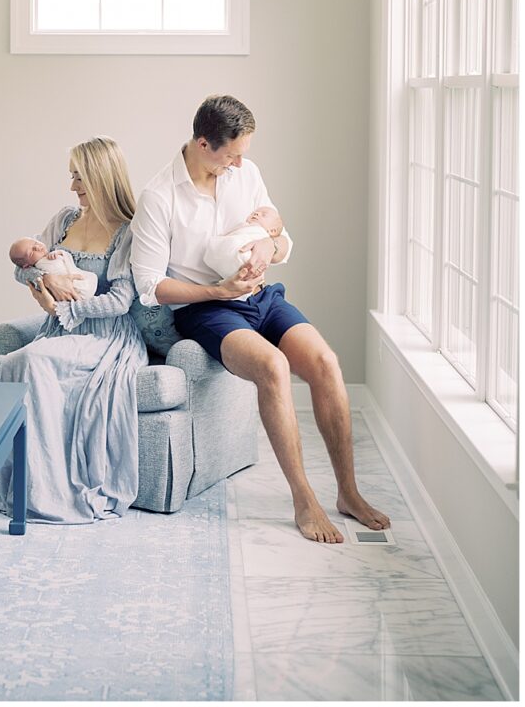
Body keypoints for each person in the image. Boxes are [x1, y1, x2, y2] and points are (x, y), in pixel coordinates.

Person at [130, 95, 390, 544]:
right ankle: (303, 498)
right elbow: (150, 287)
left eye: (242, 155)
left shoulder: (245, 173)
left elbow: (280, 235)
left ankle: (348, 492)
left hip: (261, 296)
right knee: (273, 368)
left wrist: (269, 246)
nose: (237, 165)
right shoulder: (158, 197)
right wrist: (218, 291)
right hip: (205, 309)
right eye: (230, 155)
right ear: (203, 142)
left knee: (326, 362)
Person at [0, 136, 148, 524]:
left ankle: (51, 495)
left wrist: (65, 306)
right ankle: (31, 485)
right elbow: (22, 264)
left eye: (79, 177)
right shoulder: (65, 220)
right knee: (12, 364)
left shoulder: (127, 232)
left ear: (101, 176)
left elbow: (119, 303)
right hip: (62, 329)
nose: (72, 186)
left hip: (105, 336)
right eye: (72, 176)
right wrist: (48, 284)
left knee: (31, 359)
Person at [203, 205, 284, 282]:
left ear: (272, 231)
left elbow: (286, 246)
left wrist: (270, 243)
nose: (257, 213)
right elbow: (231, 234)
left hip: (246, 258)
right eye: (254, 212)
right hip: (230, 250)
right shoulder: (243, 226)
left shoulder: (262, 234)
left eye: (264, 215)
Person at [8, 236, 98, 299]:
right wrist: (45, 278)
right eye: (31, 252)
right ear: (27, 265)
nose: (37, 247)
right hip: (72, 294)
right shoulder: (39, 266)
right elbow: (18, 272)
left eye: (35, 243)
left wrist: (59, 253)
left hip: (80, 287)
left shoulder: (48, 257)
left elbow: (65, 261)